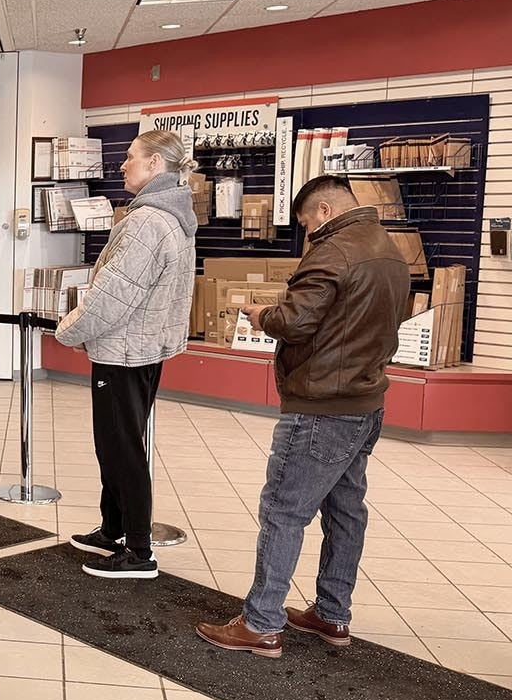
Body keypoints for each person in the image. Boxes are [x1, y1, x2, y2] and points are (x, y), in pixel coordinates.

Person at [196, 175, 409, 657]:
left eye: (308, 221)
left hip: (321, 406)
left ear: (326, 210)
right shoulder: (389, 250)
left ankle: (261, 621)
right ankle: (332, 614)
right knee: (345, 512)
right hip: (365, 400)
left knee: (283, 511)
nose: (308, 232)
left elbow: (295, 321)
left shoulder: (334, 251)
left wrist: (262, 316)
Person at [54, 129, 196, 580]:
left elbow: (113, 296)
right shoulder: (170, 216)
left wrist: (69, 330)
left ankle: (138, 551)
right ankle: (112, 530)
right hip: (141, 348)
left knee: (122, 449)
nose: (122, 165)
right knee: (115, 444)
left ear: (155, 164)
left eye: (131, 157)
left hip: (125, 353)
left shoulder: (146, 223)